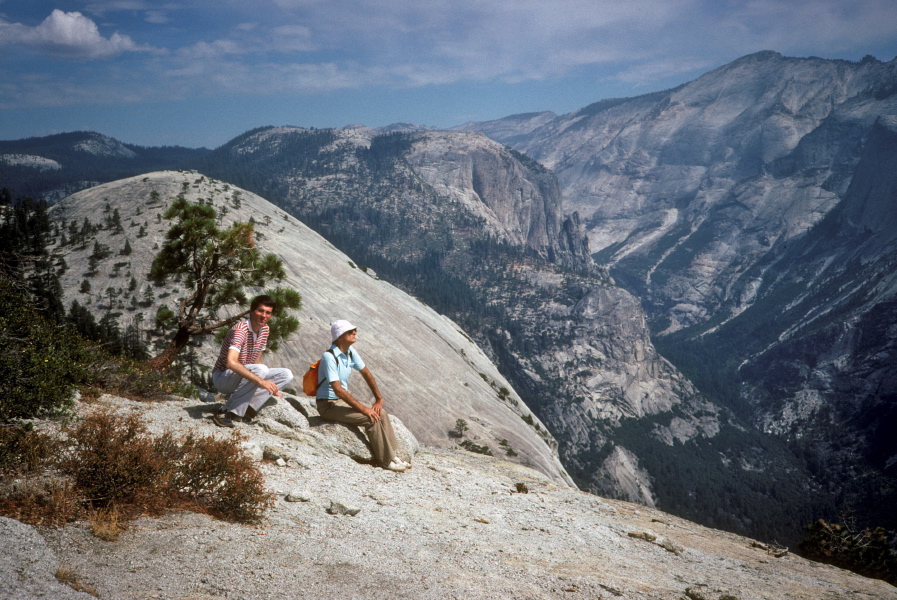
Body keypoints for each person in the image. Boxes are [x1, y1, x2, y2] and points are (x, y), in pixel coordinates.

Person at [316, 320, 410, 472]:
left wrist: (378, 399)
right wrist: (364, 409)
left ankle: (393, 455)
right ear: (340, 336)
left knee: (381, 413)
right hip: (328, 405)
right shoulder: (329, 357)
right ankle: (385, 461)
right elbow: (338, 390)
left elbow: (366, 373)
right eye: (350, 331)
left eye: (354, 330)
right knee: (370, 419)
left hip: (340, 402)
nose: (354, 333)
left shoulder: (350, 352)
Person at [211, 295, 293, 428]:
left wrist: (271, 387)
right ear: (251, 311)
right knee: (261, 370)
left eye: (268, 313)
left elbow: (257, 360)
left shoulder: (264, 329)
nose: (264, 316)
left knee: (286, 374)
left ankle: (248, 408)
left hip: (243, 376)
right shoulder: (240, 330)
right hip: (223, 377)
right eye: (260, 311)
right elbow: (230, 363)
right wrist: (261, 381)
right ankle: (226, 411)